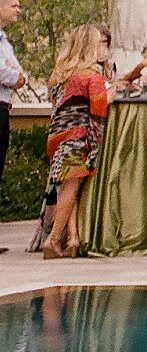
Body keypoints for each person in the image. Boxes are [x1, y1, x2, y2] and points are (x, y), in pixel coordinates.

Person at [40, 23, 112, 259]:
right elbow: (98, 112)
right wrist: (94, 146)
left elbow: (55, 106)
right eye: (100, 44)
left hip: (56, 137)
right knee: (70, 190)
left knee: (68, 188)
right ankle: (52, 240)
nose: (104, 49)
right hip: (78, 137)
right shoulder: (93, 76)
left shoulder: (59, 73)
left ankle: (73, 239)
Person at [0, 0, 23, 232]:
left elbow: (18, 72)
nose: (18, 10)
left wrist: (15, 74)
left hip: (5, 109)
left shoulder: (5, 43)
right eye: (13, 6)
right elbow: (5, 74)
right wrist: (14, 75)